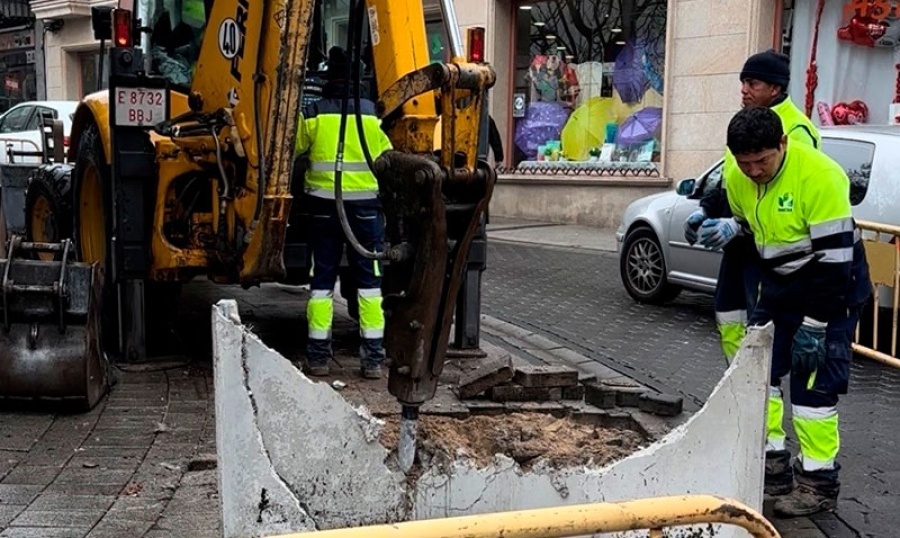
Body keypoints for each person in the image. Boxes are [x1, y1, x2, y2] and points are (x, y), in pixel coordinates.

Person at [723, 106, 871, 517]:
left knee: (813, 386)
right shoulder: (738, 176)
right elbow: (749, 226)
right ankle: (772, 465)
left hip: (832, 284)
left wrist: (816, 326)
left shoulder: (820, 177)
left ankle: (818, 482)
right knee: (761, 372)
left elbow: (836, 265)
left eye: (762, 161)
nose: (754, 171)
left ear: (783, 144)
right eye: (745, 162)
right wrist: (725, 227)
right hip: (781, 282)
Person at [685, 49, 821, 364]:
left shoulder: (796, 130)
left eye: (752, 83)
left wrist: (738, 224)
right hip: (740, 247)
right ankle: (737, 390)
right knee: (729, 318)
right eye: (743, 82)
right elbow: (731, 180)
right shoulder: (744, 124)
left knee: (761, 331)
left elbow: (785, 195)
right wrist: (705, 210)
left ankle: (759, 398)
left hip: (770, 250)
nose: (744, 90)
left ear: (775, 88)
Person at [294, 47, 394, 379]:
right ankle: (373, 360)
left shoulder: (313, 114)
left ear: (326, 80)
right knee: (369, 284)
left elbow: (292, 149)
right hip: (365, 212)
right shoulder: (370, 115)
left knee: (321, 282)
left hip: (323, 211)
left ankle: (319, 357)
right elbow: (387, 158)